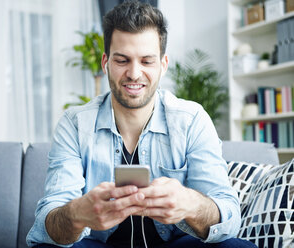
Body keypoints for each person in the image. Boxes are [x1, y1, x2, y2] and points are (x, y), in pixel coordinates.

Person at [27, 1, 257, 248]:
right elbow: (46, 224)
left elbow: (229, 218)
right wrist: (76, 214)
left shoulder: (192, 120)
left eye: (147, 61)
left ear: (163, 65)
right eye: (122, 60)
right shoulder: (74, 124)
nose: (134, 73)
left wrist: (189, 203)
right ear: (105, 63)